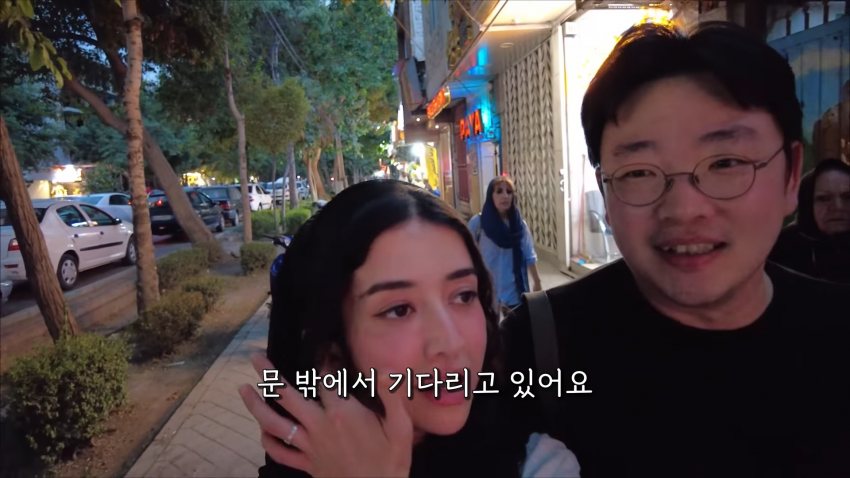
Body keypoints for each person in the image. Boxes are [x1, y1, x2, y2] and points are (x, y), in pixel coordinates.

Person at [502, 21, 849, 478]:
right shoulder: (538, 347)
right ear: (605, 192)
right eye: (638, 172)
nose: (684, 210)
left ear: (790, 177)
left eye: (726, 162)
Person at [238, 180, 581, 477]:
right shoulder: (293, 466)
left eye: (464, 295)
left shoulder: (538, 464)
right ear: (329, 346)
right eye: (399, 310)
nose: (451, 342)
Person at [769, 158, 850, 283]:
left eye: (848, 197)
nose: (838, 207)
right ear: (807, 203)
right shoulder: (779, 249)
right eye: (824, 199)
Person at [468, 177, 542, 309]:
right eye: (499, 191)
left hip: (514, 294)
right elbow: (465, 255)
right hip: (486, 294)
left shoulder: (519, 226)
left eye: (509, 192)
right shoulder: (478, 224)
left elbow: (529, 256)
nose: (505, 196)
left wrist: (537, 282)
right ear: (490, 196)